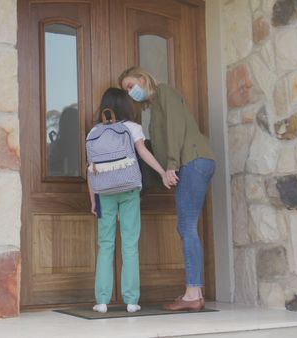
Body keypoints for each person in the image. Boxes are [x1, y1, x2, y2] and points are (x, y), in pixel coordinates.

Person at [119, 67, 216, 312]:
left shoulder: (164, 92)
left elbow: (175, 128)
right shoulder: (154, 105)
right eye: (127, 90)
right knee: (187, 226)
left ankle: (192, 294)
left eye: (131, 86)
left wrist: (172, 164)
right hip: (192, 162)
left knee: (186, 226)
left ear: (142, 78)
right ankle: (195, 292)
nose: (131, 92)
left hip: (192, 161)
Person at [88, 88, 170, 313]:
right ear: (126, 105)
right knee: (129, 244)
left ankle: (102, 300)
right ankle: (131, 300)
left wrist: (93, 198)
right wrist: (162, 173)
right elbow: (143, 152)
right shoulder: (132, 128)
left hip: (104, 192)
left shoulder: (95, 131)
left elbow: (91, 169)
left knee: (105, 245)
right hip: (129, 189)